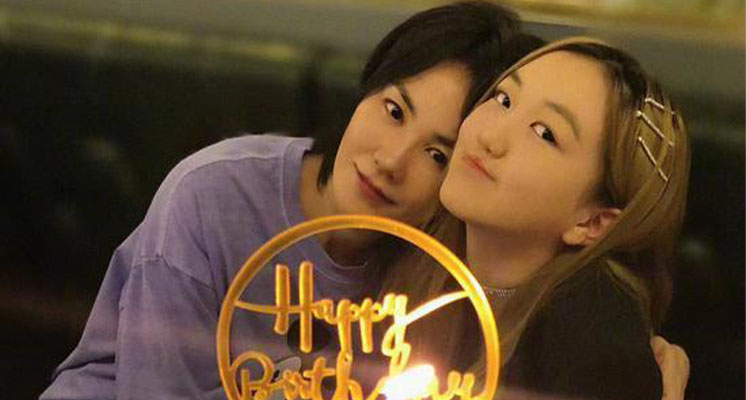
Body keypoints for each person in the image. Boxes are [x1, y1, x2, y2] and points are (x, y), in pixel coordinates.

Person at [40, 2, 687, 399]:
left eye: (438, 153)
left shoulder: (445, 270)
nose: (391, 160)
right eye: (393, 110)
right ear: (365, 89)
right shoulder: (214, 196)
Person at [390, 37, 690, 399]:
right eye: (503, 100)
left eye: (544, 133)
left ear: (593, 222)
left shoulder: (592, 332)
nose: (490, 136)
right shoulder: (416, 246)